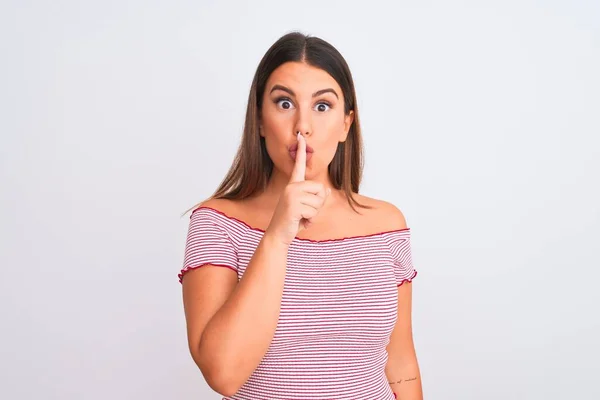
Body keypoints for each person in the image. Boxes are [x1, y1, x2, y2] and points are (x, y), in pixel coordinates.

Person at [178, 31, 422, 400]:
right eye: (284, 103)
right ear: (259, 119)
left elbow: (400, 361)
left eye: (322, 106)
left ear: (345, 124)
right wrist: (277, 234)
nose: (303, 126)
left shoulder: (386, 224)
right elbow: (223, 373)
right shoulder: (216, 223)